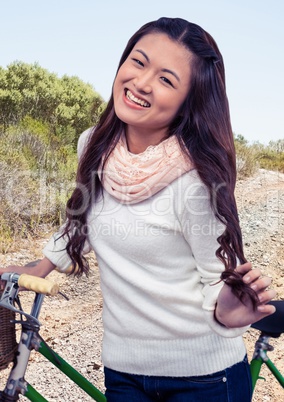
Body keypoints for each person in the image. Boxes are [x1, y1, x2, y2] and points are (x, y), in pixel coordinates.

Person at [0, 17, 276, 401]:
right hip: (124, 371)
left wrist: (229, 309)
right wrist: (34, 267)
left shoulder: (196, 180)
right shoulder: (93, 146)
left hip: (204, 378)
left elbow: (217, 281)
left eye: (166, 79)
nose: (142, 82)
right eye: (138, 61)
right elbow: (80, 220)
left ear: (188, 100)